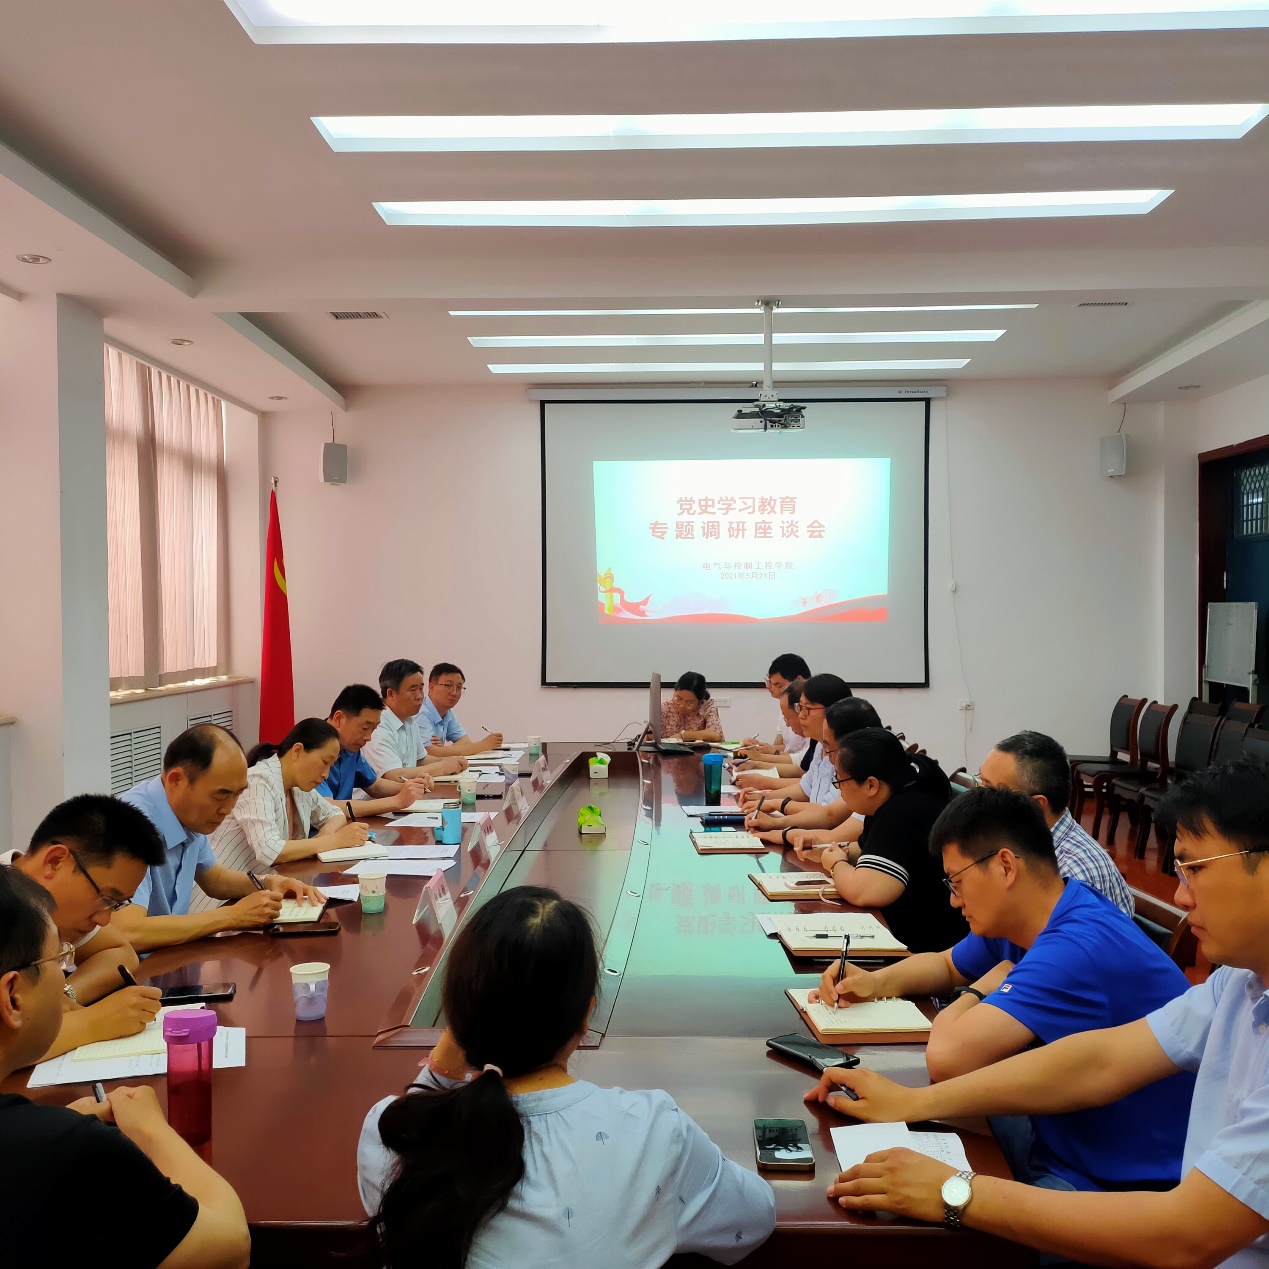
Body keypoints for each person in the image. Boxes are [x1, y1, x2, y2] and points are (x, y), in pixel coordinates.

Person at [806, 759, 1269, 1269]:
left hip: (1128, 1191)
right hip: (1073, 1147)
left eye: (1195, 869)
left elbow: (1184, 1237)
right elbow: (1103, 1060)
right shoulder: (1236, 981)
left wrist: (955, 1191)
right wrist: (912, 1101)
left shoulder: (1080, 941)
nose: (1180, 895)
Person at [358, 886, 775, 1269]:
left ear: (455, 1013)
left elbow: (423, 1111)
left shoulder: (396, 1135)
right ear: (586, 1014)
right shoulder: (654, 1132)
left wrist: (445, 1061)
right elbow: (754, 1217)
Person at [812, 787, 1194, 1195]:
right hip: (1061, 1133)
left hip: (1115, 1182)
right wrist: (876, 981)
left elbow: (949, 1058)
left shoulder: (1075, 946)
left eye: (957, 882)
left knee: (901, 1195)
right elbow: (946, 964)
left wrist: (980, 988)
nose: (954, 901)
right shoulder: (1040, 908)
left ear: (1005, 866)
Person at [0, 866, 251, 1269]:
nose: (65, 981)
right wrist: (150, 1127)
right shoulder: (68, 1150)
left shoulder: (44, 1142)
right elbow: (230, 1245)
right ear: (13, 997)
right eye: (60, 960)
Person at [116, 724, 325, 954]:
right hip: (139, 967)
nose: (228, 809)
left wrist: (269, 882)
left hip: (172, 955)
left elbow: (215, 879)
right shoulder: (129, 825)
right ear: (176, 780)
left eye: (237, 795)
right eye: (220, 796)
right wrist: (232, 916)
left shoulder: (188, 814)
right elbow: (129, 932)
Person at [4, 795, 166, 1059]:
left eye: (116, 905)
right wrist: (92, 1023)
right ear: (55, 861)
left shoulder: (43, 907)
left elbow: (119, 952)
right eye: (106, 899)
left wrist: (61, 996)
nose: (104, 919)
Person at [812, 727, 967, 953]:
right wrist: (834, 850)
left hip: (928, 945)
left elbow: (865, 891)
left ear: (871, 785)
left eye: (840, 779)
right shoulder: (897, 797)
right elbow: (871, 851)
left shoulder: (902, 813)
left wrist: (836, 863)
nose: (838, 786)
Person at [979, 730, 1134, 915]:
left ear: (1035, 806)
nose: (977, 798)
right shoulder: (1019, 840)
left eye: (990, 790)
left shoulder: (1072, 878)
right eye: (980, 783)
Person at [210, 718, 367, 872]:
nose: (326, 774)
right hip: (228, 888)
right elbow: (269, 850)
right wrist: (334, 841)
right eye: (325, 762)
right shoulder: (258, 781)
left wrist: (326, 835)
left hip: (270, 883)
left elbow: (335, 814)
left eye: (331, 766)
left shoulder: (299, 786)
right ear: (297, 751)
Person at [748, 697, 882, 841]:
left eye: (807, 708)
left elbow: (831, 818)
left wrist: (779, 827)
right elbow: (825, 810)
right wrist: (775, 812)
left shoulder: (874, 778)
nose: (801, 715)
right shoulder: (862, 765)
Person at [738, 673, 853, 812]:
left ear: (833, 710)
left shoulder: (848, 754)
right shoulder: (820, 746)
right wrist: (764, 798)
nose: (801, 716)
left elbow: (829, 813)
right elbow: (804, 789)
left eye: (807, 709)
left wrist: (776, 809)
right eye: (800, 707)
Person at [319, 683, 433, 819]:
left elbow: (374, 786)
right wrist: (396, 801)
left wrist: (411, 786)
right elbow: (326, 807)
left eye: (373, 729)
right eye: (364, 728)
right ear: (339, 718)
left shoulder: (350, 749)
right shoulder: (312, 747)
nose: (368, 737)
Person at [364, 659, 468, 781]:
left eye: (421, 689)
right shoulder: (378, 725)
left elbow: (421, 759)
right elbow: (393, 775)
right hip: (382, 793)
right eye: (413, 690)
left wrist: (449, 761)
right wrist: (442, 767)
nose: (420, 696)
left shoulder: (409, 721)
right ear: (391, 694)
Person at [733, 681, 810, 790]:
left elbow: (806, 781)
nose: (787, 724)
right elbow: (800, 767)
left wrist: (764, 782)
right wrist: (756, 762)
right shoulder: (817, 744)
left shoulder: (824, 742)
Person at [422, 663, 505, 757]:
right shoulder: (421, 712)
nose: (454, 692)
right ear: (431, 687)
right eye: (448, 686)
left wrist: (442, 751)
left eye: (459, 687)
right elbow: (429, 753)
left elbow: (465, 742)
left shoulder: (447, 712)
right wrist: (483, 745)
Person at [660, 671, 724, 743]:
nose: (682, 706)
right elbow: (652, 736)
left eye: (689, 703)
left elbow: (716, 735)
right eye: (678, 698)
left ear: (700, 700)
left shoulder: (707, 707)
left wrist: (684, 735)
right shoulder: (666, 707)